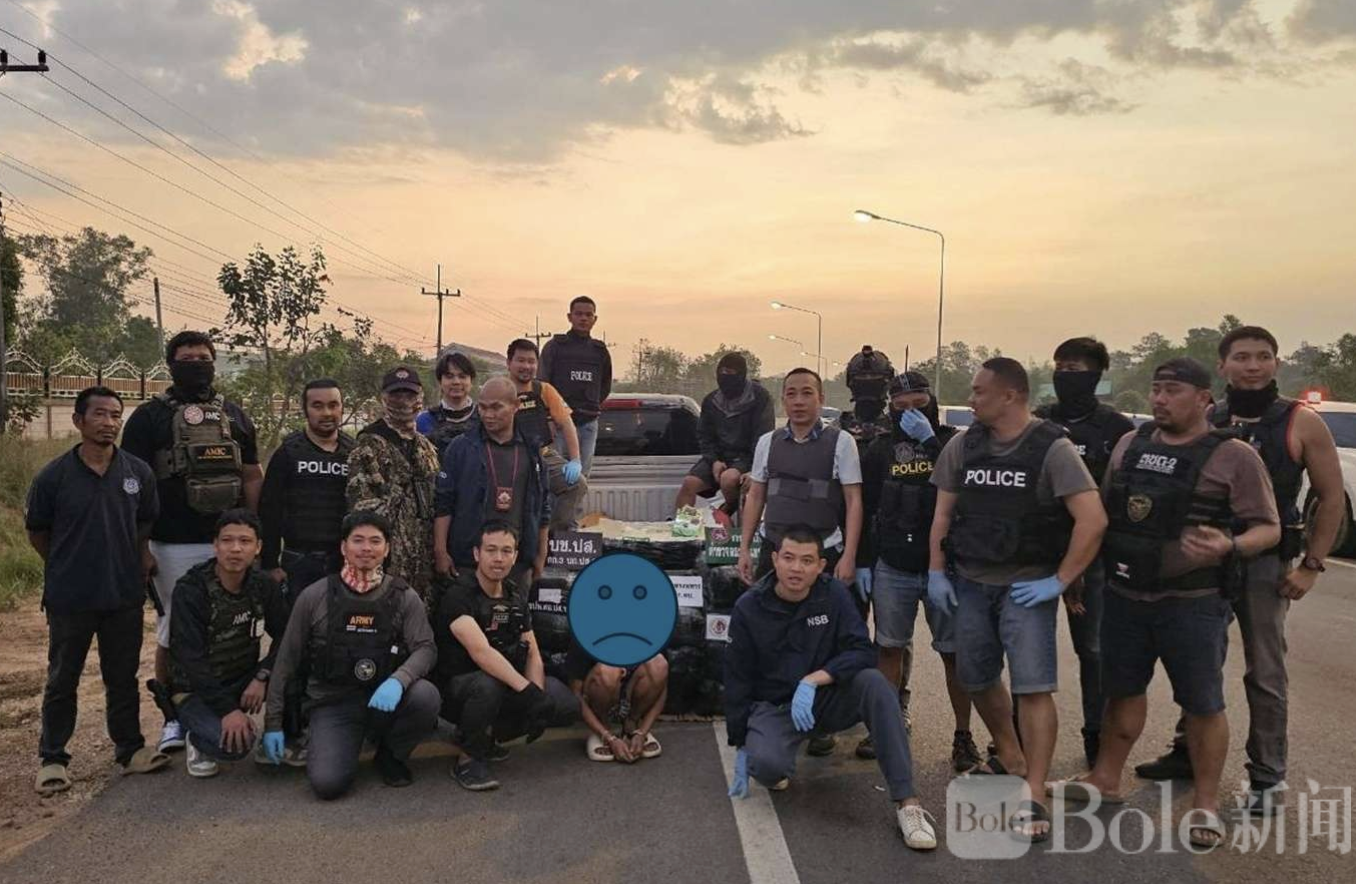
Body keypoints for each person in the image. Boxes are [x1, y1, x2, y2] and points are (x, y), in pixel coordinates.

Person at [1050, 357, 1280, 852]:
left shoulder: (1234, 455)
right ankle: (1105, 777)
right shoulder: (1130, 445)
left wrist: (1229, 545)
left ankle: (1205, 803)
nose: (1159, 399)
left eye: (1172, 390)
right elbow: (1103, 515)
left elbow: (1269, 528)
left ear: (1204, 399)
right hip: (1125, 595)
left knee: (1202, 703)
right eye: (1156, 389)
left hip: (1192, 603)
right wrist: (1077, 574)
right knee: (1122, 691)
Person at [1136, 327, 1344, 817]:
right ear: (1223, 365)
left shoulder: (1300, 422)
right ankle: (1188, 752)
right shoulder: (1208, 417)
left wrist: (1312, 566)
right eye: (1243, 357)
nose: (1253, 366)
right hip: (1204, 560)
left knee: (1265, 671)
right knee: (1196, 661)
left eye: (1263, 357)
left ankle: (1267, 775)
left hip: (1264, 564)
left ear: (1276, 363)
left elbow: (1331, 498)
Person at [927, 357, 1107, 842]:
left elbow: (1092, 520)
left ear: (1010, 395)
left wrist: (1061, 580)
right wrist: (936, 572)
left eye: (979, 391)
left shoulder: (1052, 448)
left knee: (1032, 688)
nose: (971, 399)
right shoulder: (964, 446)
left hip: (1027, 586)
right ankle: (1010, 754)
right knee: (975, 676)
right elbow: (942, 515)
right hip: (970, 581)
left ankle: (1033, 791)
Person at [724, 525, 937, 851]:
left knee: (876, 684)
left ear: (821, 566)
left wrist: (815, 679)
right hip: (777, 708)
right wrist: (740, 744)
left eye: (807, 560)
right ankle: (772, 759)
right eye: (789, 558)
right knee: (766, 766)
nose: (796, 568)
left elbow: (862, 650)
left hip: (825, 697)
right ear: (775, 559)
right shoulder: (749, 608)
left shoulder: (833, 594)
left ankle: (908, 802)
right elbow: (737, 680)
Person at [122, 330, 262, 754]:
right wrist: (141, 547)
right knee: (172, 631)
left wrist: (255, 533)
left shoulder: (234, 415)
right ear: (171, 364)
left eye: (203, 358)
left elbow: (251, 475)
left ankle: (218, 704)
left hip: (230, 542)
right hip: (171, 543)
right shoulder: (148, 418)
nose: (197, 365)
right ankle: (172, 716)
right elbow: (132, 486)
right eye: (187, 358)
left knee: (234, 625)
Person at [27, 387, 168, 794]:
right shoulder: (54, 476)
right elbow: (38, 532)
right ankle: (53, 758)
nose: (109, 423)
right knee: (62, 678)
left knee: (121, 677)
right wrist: (67, 564)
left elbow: (146, 521)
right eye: (100, 414)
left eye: (115, 415)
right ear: (78, 421)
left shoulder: (137, 473)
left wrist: (140, 555)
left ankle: (130, 750)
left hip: (123, 593)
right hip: (70, 597)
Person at [261, 511, 440, 799]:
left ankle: (390, 753)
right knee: (327, 784)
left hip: (383, 700)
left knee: (425, 696)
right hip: (333, 703)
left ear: (387, 549)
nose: (366, 548)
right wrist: (272, 723)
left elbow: (426, 648)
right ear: (343, 547)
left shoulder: (404, 596)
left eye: (375, 541)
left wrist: (399, 680)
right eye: (358, 540)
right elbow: (286, 661)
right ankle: (344, 740)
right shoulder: (315, 596)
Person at [855, 371, 980, 771]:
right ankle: (886, 727)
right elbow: (864, 507)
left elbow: (968, 489)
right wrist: (863, 561)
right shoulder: (880, 449)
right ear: (890, 407)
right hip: (894, 565)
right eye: (901, 405)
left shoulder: (953, 444)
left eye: (919, 403)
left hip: (945, 567)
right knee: (888, 647)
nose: (910, 411)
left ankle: (964, 735)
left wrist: (930, 442)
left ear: (932, 402)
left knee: (954, 654)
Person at [1033, 338, 1135, 768]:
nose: (1064, 375)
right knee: (1027, 649)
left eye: (1074, 368)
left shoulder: (1117, 429)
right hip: (1037, 552)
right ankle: (1019, 740)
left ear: (1096, 375)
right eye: (1059, 367)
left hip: (1093, 557)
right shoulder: (1040, 421)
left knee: (1093, 651)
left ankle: (1098, 737)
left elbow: (1121, 500)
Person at [434, 521, 579, 790]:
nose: (498, 558)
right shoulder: (458, 595)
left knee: (563, 703)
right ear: (477, 554)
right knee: (489, 684)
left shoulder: (515, 595)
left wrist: (536, 697)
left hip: (505, 683)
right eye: (491, 550)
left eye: (506, 551)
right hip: (459, 690)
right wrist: (528, 692)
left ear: (515, 556)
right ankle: (468, 758)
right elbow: (482, 653)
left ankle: (487, 737)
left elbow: (532, 650)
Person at [168, 510, 293, 778]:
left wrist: (262, 676)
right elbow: (191, 661)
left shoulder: (263, 585)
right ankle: (197, 739)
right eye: (227, 540)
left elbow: (286, 635)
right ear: (215, 545)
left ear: (258, 547)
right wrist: (229, 711)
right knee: (236, 746)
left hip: (242, 680)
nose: (235, 549)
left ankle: (283, 735)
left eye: (245, 541)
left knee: (296, 671)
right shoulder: (191, 590)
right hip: (195, 691)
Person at [738, 367, 863, 588]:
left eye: (806, 393)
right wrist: (744, 549)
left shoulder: (842, 442)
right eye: (791, 394)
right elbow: (755, 496)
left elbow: (854, 501)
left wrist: (849, 556)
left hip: (824, 551)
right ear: (783, 400)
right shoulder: (767, 442)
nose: (798, 401)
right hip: (774, 551)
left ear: (820, 399)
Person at [434, 376, 552, 588]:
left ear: (516, 406)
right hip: (468, 562)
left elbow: (543, 507)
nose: (488, 415)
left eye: (496, 407)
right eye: (483, 407)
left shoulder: (532, 451)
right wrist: (440, 551)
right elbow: (444, 503)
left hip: (517, 563)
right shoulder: (461, 448)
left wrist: (540, 553)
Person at [346, 366, 440, 602]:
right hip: (385, 562)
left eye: (410, 394)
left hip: (424, 562)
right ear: (384, 398)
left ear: (420, 397)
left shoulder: (425, 447)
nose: (404, 401)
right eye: (396, 394)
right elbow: (362, 510)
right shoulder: (368, 444)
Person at [259, 379, 355, 596]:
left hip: (344, 562)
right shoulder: (288, 453)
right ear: (305, 409)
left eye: (333, 405)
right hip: (298, 562)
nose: (327, 413)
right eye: (317, 406)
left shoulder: (354, 453)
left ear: (342, 408)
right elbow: (269, 510)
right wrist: (270, 563)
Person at [675, 352, 774, 518]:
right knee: (689, 484)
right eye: (722, 373)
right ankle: (685, 528)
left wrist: (754, 469)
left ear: (741, 374)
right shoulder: (711, 400)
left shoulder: (760, 398)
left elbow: (764, 437)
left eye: (730, 373)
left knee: (728, 479)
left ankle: (727, 510)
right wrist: (714, 460)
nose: (725, 378)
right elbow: (705, 436)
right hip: (718, 457)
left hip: (746, 457)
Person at [505, 338, 587, 531]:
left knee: (578, 484)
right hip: (508, 458)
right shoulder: (499, 390)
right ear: (509, 363)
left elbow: (566, 423)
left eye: (531, 361)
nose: (527, 366)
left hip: (543, 456)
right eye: (521, 360)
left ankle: (557, 535)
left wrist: (575, 460)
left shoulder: (544, 390)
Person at [539, 295, 612, 474]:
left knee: (581, 476)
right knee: (555, 475)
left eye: (588, 315)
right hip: (558, 425)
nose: (583, 318)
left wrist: (591, 406)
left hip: (588, 423)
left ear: (595, 319)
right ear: (569, 317)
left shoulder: (600, 351)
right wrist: (549, 418)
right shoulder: (554, 347)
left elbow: (605, 386)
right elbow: (541, 384)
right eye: (578, 314)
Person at [417, 350, 479, 459]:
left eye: (462, 376)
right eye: (449, 376)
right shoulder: (423, 421)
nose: (456, 382)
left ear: (471, 381)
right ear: (440, 381)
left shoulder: (484, 419)